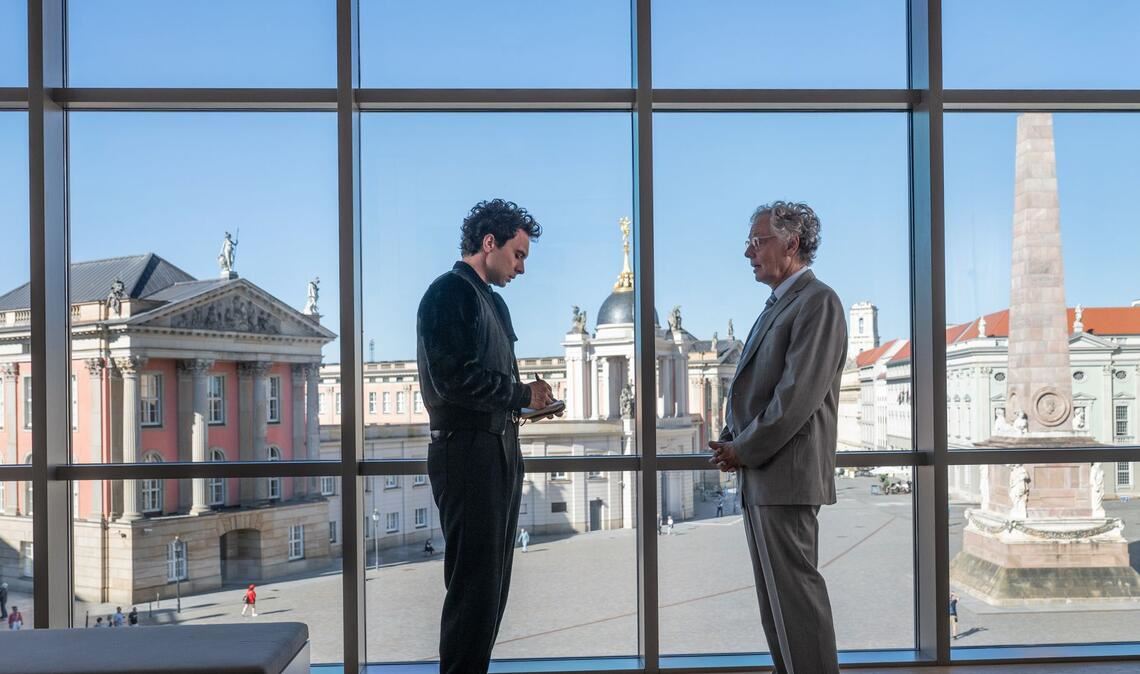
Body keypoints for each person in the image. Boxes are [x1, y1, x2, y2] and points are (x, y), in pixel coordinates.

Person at [709, 201, 846, 674]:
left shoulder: (818, 301)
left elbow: (795, 397)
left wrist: (742, 448)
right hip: (765, 475)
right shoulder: (781, 303)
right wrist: (732, 438)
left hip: (786, 476)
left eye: (757, 241)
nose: (748, 252)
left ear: (792, 244)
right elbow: (759, 386)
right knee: (777, 604)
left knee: (797, 602)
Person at [417, 198, 550, 674]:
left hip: (497, 449)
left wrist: (527, 402)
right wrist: (521, 393)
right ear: (489, 243)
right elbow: (452, 380)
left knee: (491, 587)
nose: (521, 267)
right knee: (474, 587)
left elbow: (486, 382)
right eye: (518, 255)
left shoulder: (491, 301)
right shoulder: (448, 292)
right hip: (467, 453)